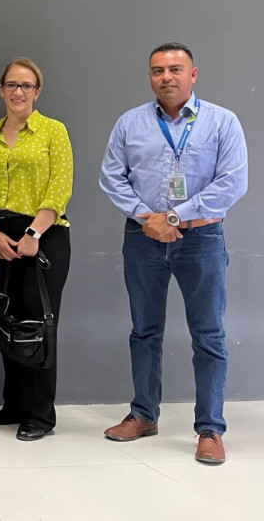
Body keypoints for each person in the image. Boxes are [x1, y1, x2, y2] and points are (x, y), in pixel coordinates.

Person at [99, 43, 247, 465]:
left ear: (193, 74)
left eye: (175, 69)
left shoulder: (223, 121)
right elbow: (112, 177)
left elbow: (232, 181)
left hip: (201, 239)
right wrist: (148, 217)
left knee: (209, 335)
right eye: (157, 70)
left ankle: (210, 429)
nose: (166, 77)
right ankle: (143, 415)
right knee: (144, 330)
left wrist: (175, 216)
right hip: (142, 238)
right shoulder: (130, 123)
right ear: (150, 76)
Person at [0, 58, 73, 441]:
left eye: (26, 86)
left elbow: (59, 188)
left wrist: (33, 233)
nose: (18, 92)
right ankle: (14, 404)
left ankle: (40, 415)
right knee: (7, 320)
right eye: (12, 85)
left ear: (37, 92)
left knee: (38, 326)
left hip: (43, 236)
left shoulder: (52, 131)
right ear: (1, 90)